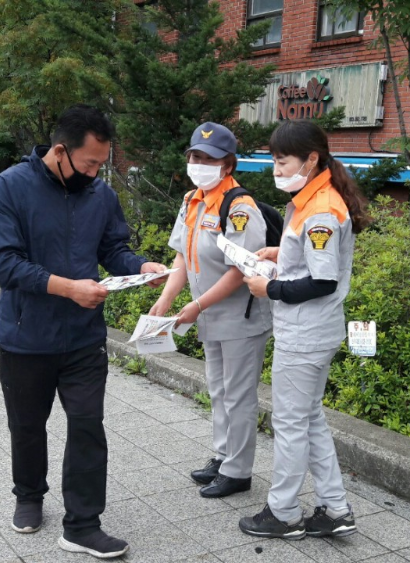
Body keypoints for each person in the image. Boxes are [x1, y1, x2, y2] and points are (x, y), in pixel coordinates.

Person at [0, 104, 167, 559]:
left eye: (101, 164)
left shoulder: (99, 196)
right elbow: (3, 263)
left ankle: (83, 525)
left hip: (84, 337)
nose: (94, 172)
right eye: (88, 163)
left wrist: (139, 266)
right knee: (27, 426)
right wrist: (67, 288)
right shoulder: (9, 187)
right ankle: (28, 496)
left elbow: (112, 248)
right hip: (26, 336)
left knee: (88, 426)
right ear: (60, 151)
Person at [240, 119, 372, 540]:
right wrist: (284, 251)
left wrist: (269, 287)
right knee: (309, 418)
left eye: (283, 161)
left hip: (305, 334)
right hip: (310, 332)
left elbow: (323, 280)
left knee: (291, 423)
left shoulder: (321, 209)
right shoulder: (312, 198)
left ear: (311, 159)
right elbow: (315, 262)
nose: (276, 169)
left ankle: (283, 512)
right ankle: (335, 509)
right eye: (275, 161)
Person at [149, 122, 272, 498]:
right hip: (207, 316)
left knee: (238, 394)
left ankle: (238, 471)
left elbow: (241, 269)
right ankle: (223, 456)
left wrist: (196, 304)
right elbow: (182, 256)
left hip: (240, 318)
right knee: (218, 390)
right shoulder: (192, 200)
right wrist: (166, 300)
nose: (199, 163)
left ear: (227, 164)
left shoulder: (239, 208)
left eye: (208, 158)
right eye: (194, 156)